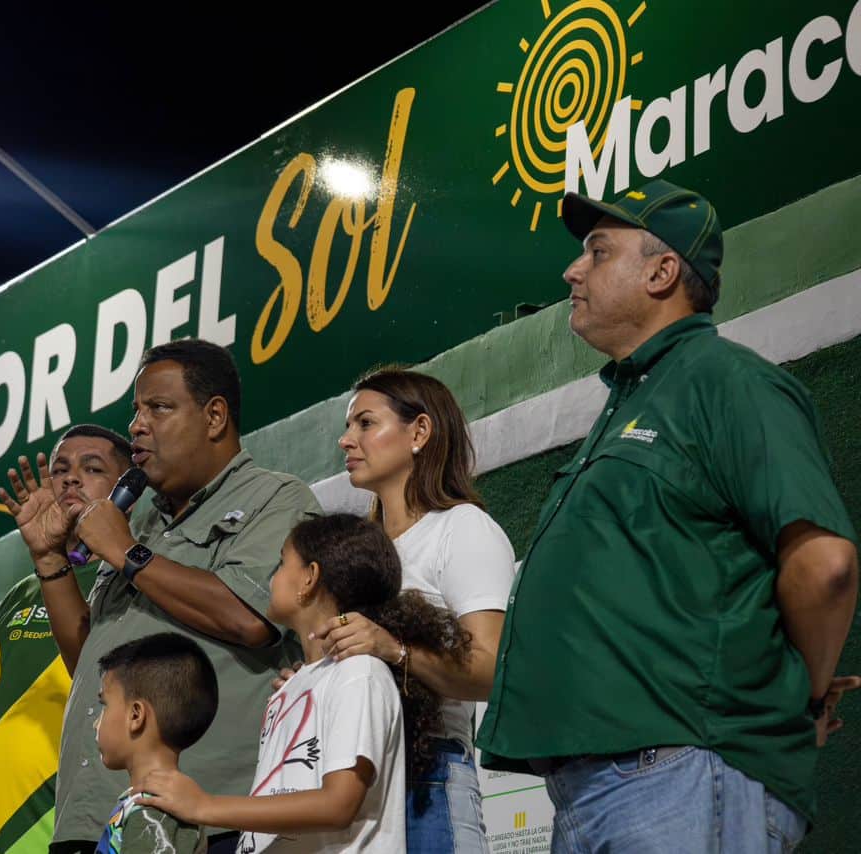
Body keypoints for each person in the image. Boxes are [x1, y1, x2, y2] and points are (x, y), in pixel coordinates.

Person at [476, 179, 859, 852]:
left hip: (681, 774)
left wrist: (800, 695)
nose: (572, 270)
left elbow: (825, 567)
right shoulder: (631, 402)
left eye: (597, 251)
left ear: (661, 271)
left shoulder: (727, 380)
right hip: (601, 792)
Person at [0, 338, 320, 853]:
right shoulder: (138, 522)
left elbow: (250, 617)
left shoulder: (276, 498)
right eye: (136, 410)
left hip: (199, 821)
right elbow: (93, 663)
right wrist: (50, 562)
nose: (137, 425)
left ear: (215, 417)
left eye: (159, 407)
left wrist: (127, 553)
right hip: (96, 816)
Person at [136, 513, 471, 853]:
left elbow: (338, 804)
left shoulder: (358, 673)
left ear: (309, 578)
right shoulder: (296, 684)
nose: (272, 575)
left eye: (282, 563)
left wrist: (204, 806)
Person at [309, 367, 515, 852]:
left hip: (428, 779)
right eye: (347, 426)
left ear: (419, 431)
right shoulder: (362, 552)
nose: (345, 440)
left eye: (364, 423)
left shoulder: (462, 528)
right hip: (350, 784)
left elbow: (491, 669)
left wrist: (394, 649)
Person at [0, 425, 134, 854]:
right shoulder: (22, 593)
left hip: (77, 834)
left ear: (129, 488)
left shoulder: (131, 580)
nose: (70, 478)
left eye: (92, 467)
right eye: (60, 469)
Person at [92, 633, 218, 854]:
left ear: (135, 716)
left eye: (105, 705)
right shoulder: (149, 804)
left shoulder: (155, 810)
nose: (95, 724)